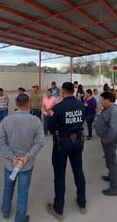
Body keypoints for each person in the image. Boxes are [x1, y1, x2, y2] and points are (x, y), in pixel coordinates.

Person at [0, 94, 45, 222]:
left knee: (7, 188)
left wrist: (12, 158)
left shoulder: (6, 120)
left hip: (10, 163)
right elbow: (40, 142)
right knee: (23, 193)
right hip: (26, 165)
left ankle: (5, 212)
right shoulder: (36, 121)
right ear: (29, 104)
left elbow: (0, 142)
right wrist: (27, 157)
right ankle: (19, 219)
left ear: (16, 104)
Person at [46, 82, 86, 220]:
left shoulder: (57, 108)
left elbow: (49, 126)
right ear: (73, 91)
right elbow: (83, 120)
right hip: (78, 142)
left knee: (59, 176)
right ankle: (82, 204)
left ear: (62, 92)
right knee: (78, 172)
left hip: (61, 144)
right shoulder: (81, 105)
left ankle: (58, 209)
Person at [95, 91, 117, 196]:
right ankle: (110, 176)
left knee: (112, 162)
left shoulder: (113, 111)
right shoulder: (107, 109)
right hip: (105, 139)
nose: (101, 102)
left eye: (102, 100)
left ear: (108, 100)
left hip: (109, 140)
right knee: (109, 161)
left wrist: (107, 139)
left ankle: (114, 188)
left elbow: (114, 129)